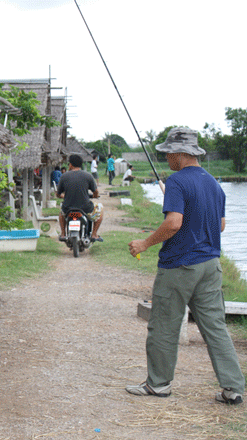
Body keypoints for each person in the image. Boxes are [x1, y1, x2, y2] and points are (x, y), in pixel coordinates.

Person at [126, 127, 244, 404]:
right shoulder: (214, 183)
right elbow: (221, 225)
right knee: (215, 327)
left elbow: (174, 223)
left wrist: (144, 243)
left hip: (179, 266)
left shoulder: (177, 181)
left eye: (169, 153)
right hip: (211, 266)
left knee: (164, 326)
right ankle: (234, 388)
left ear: (180, 153)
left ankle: (158, 385)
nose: (167, 158)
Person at [56, 154, 104, 242]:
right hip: (85, 208)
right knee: (100, 210)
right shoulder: (88, 176)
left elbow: (58, 194)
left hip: (68, 209)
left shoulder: (64, 176)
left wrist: (63, 196)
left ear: (70, 164)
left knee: (61, 212)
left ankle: (63, 233)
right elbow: (95, 192)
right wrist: (95, 196)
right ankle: (94, 234)